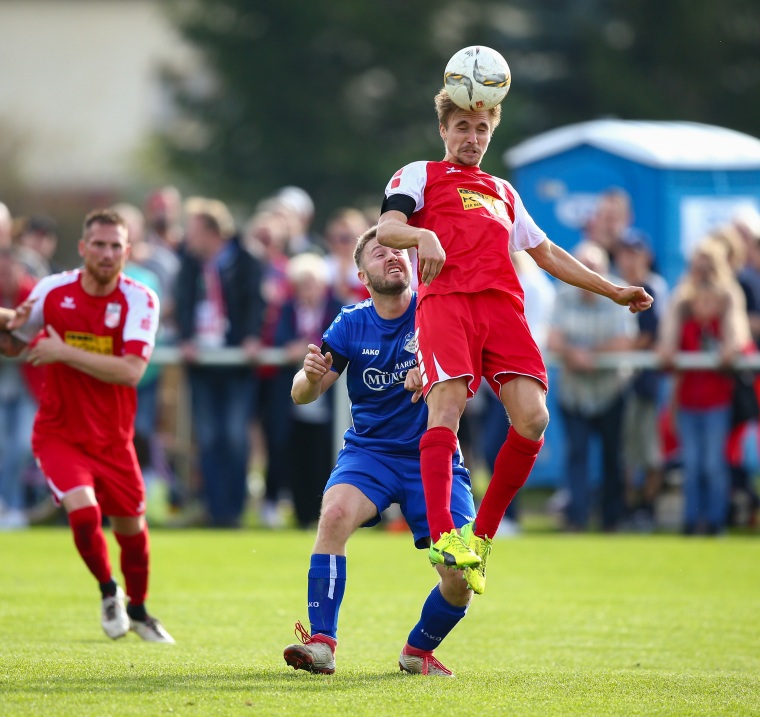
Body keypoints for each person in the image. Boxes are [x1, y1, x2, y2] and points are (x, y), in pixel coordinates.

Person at [376, 88, 652, 592]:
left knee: (534, 417)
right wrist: (423, 236)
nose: (473, 138)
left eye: (482, 129)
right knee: (448, 408)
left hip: (503, 307)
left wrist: (613, 290)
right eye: (462, 127)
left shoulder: (503, 191)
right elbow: (387, 226)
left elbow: (546, 253)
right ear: (444, 129)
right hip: (448, 303)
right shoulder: (419, 174)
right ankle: (444, 535)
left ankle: (479, 538)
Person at [283, 227, 474, 677]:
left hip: (434, 456)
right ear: (362, 274)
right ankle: (322, 643)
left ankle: (418, 651)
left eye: (399, 252)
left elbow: (468, 372)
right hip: (371, 454)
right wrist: (309, 377)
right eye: (379, 253)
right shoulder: (350, 323)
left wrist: (432, 374)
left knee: (461, 575)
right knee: (332, 517)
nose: (393, 258)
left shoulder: (437, 311)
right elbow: (301, 395)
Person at [0, 208, 174, 642]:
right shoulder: (53, 291)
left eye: (116, 245)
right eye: (98, 244)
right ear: (82, 248)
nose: (107, 253)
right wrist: (9, 323)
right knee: (84, 512)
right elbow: (15, 341)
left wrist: (63, 352)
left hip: (115, 440)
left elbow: (131, 371)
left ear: (127, 252)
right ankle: (107, 590)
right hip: (59, 432)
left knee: (132, 532)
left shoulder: (139, 299)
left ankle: (138, 610)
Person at [175, 197, 265, 528]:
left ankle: (234, 510)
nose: (188, 236)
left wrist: (252, 337)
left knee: (234, 435)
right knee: (208, 436)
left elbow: (256, 302)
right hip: (201, 362)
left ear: (213, 231)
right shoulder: (189, 262)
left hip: (236, 363)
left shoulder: (245, 259)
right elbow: (183, 302)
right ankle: (215, 510)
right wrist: (185, 336)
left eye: (193, 229)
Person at [547, 242, 639, 532]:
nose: (589, 274)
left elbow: (626, 341)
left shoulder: (619, 290)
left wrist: (588, 354)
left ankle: (612, 518)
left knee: (613, 456)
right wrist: (575, 355)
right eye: (584, 267)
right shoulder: (563, 294)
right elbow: (552, 339)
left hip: (611, 389)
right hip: (575, 391)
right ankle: (577, 518)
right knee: (577, 456)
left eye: (594, 269)